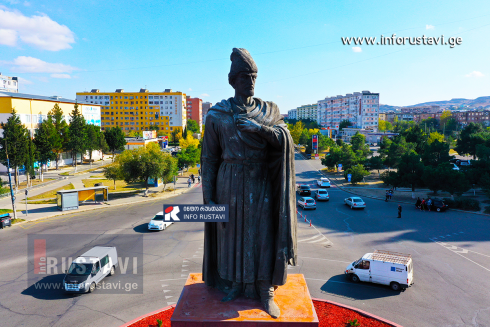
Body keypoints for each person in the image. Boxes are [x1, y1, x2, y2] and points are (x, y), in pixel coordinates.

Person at [201, 48, 297, 319]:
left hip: (261, 181)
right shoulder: (217, 115)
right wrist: (209, 198)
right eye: (245, 76)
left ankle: (265, 290)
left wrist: (261, 130)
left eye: (254, 76)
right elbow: (209, 159)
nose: (251, 81)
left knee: (264, 235)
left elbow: (283, 140)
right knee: (230, 235)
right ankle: (234, 284)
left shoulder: (269, 111)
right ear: (233, 80)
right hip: (228, 182)